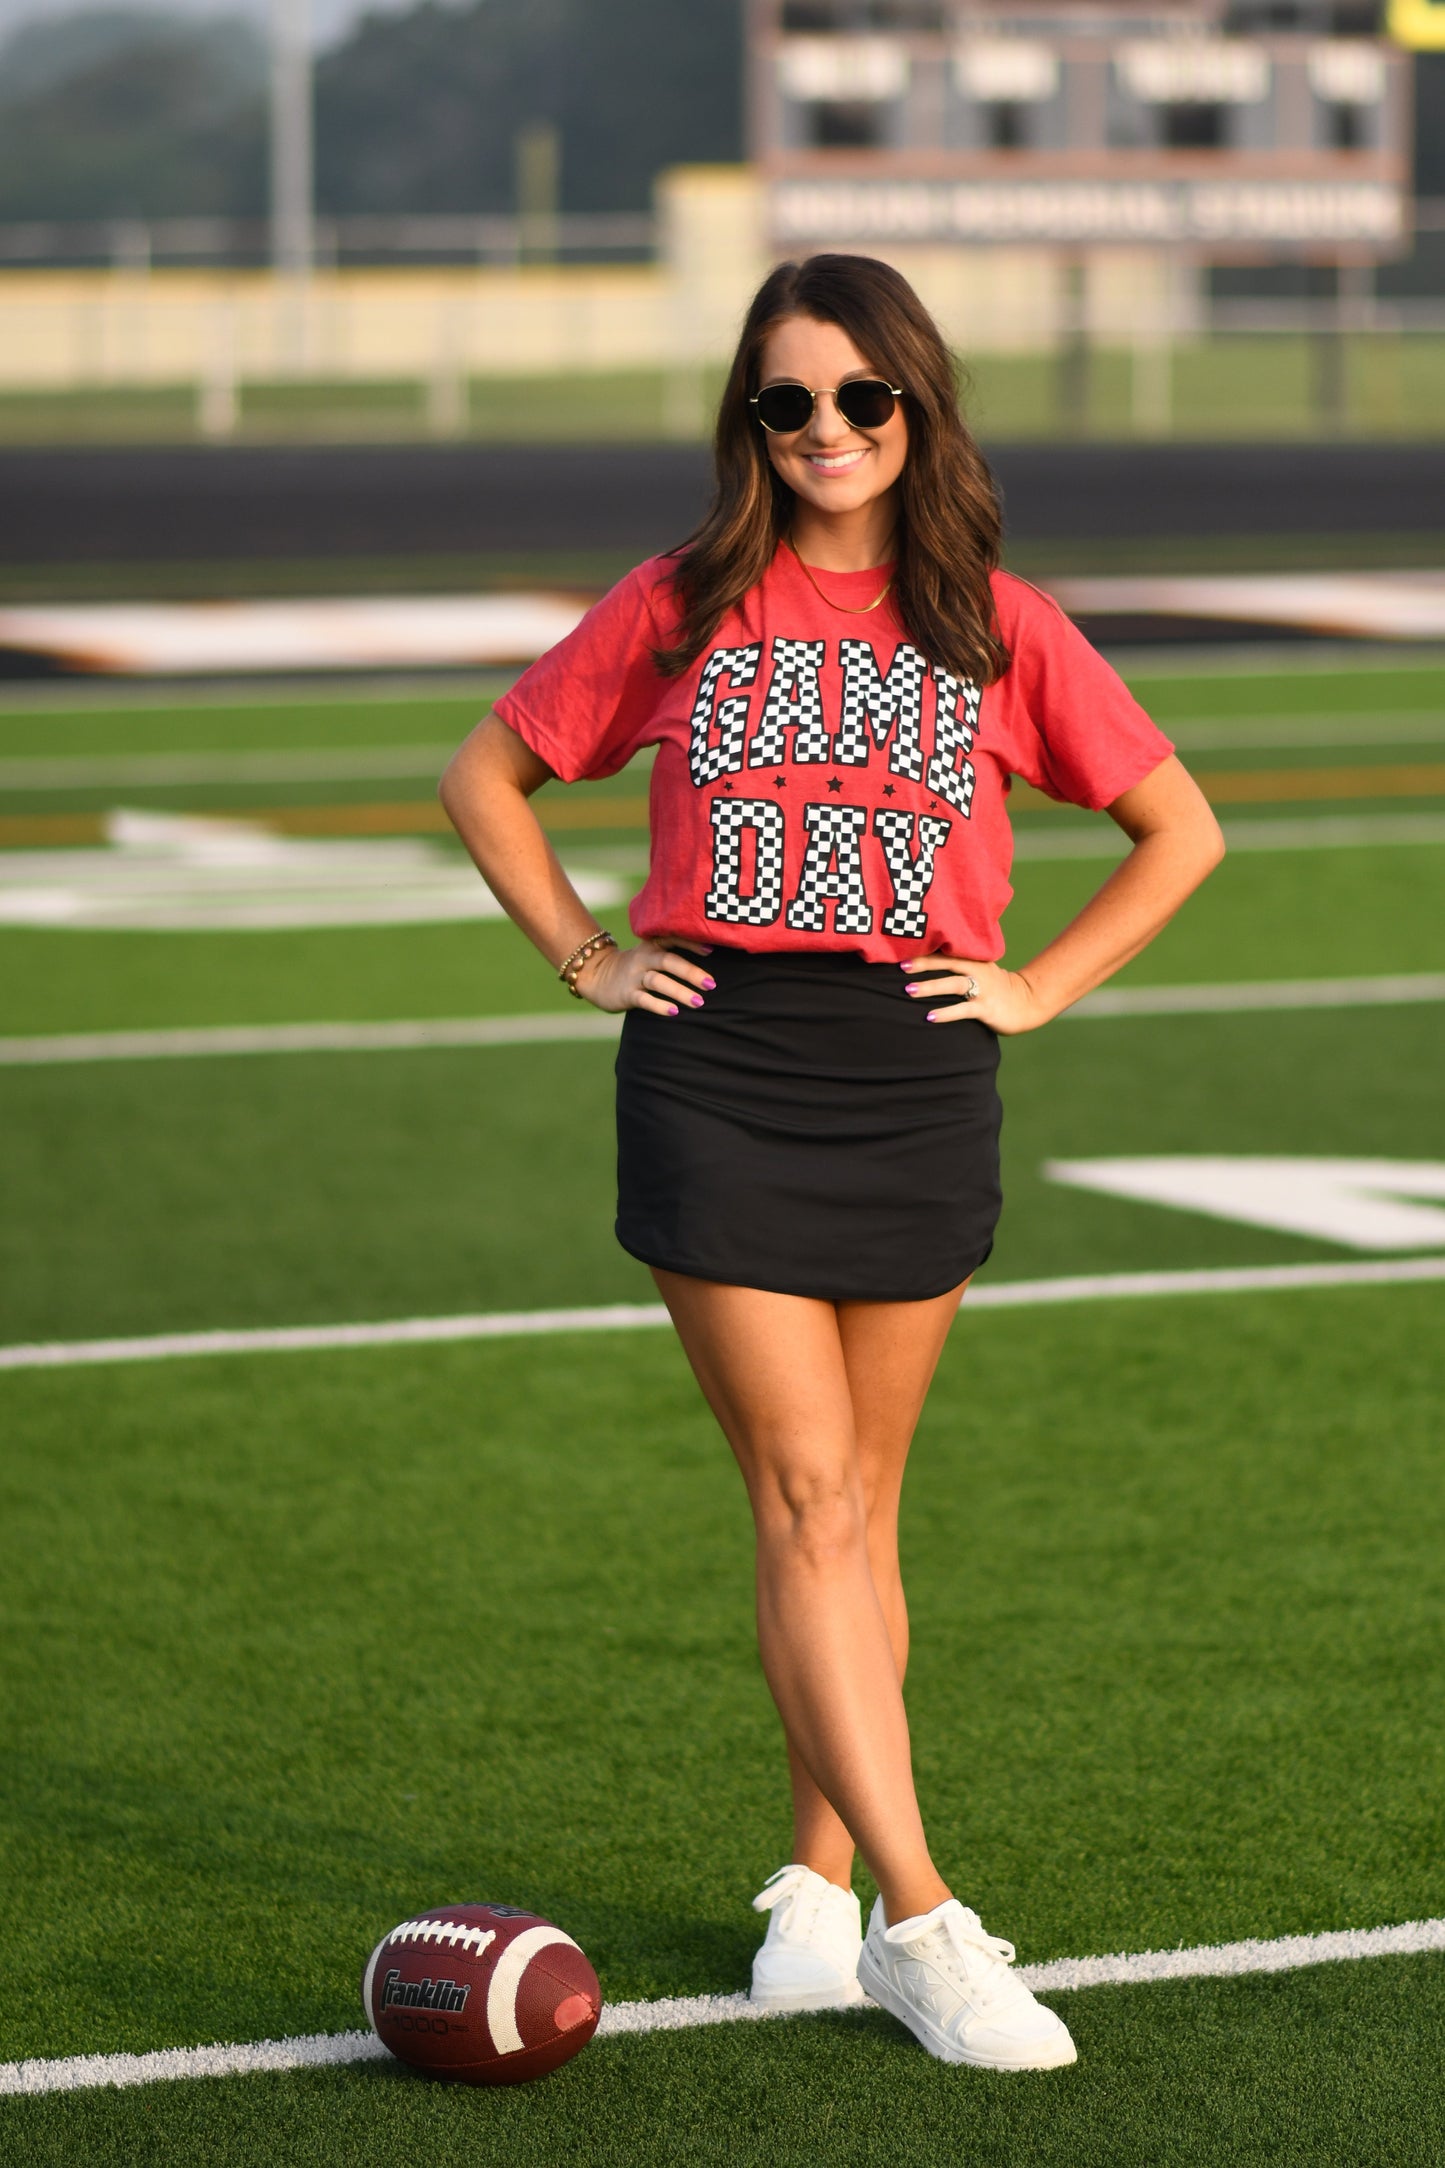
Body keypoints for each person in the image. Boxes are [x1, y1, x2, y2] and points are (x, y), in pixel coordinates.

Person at [440, 253, 1224, 2072]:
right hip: (720, 1065)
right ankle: (926, 1920)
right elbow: (488, 773)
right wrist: (581, 952)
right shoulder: (683, 599)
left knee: (858, 1513)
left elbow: (1177, 826)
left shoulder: (995, 621)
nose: (823, 433)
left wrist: (1039, 983)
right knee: (805, 1500)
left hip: (914, 1069)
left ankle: (810, 1889)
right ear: (749, 420)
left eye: (859, 397)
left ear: (916, 406)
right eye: (784, 402)